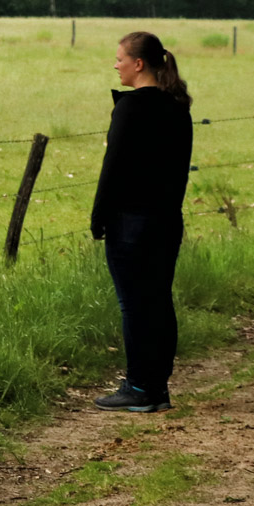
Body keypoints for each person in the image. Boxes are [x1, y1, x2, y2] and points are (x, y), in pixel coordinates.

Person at [90, 30, 193, 413]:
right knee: (159, 302)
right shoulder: (177, 107)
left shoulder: (132, 108)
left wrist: (99, 217)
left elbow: (112, 167)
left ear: (138, 64)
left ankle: (137, 386)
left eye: (119, 59)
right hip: (166, 221)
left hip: (131, 223)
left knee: (134, 306)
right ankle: (157, 387)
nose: (115, 65)